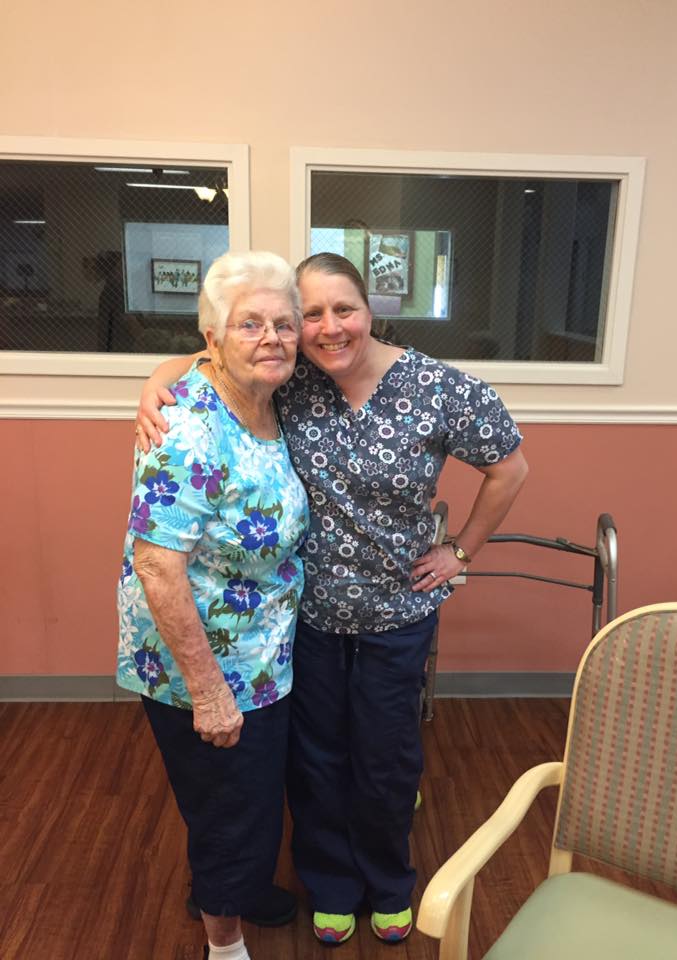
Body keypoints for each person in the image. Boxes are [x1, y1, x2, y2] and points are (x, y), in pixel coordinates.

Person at [135, 252, 528, 946]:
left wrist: (460, 552)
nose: (326, 327)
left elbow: (510, 467)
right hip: (306, 618)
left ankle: (388, 881)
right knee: (316, 760)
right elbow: (213, 358)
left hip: (397, 615)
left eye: (342, 309)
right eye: (309, 314)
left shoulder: (437, 387)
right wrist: (154, 381)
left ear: (370, 311)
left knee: (386, 759)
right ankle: (331, 885)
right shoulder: (295, 378)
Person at [118, 251, 310, 960]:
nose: (271, 337)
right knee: (230, 812)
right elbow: (157, 564)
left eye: (283, 323)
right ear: (214, 338)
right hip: (205, 664)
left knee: (250, 800)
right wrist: (208, 691)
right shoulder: (189, 428)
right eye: (249, 324)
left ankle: (240, 889)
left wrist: (158, 371)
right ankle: (224, 944)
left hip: (260, 650)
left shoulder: (266, 395)